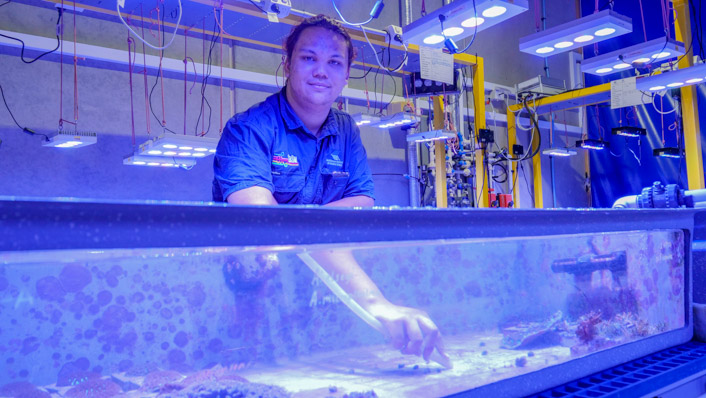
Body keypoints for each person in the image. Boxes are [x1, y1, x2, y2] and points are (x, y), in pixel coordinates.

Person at [213, 14, 448, 365]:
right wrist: (377, 304)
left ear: (346, 73)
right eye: (309, 58)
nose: (321, 71)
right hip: (248, 294)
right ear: (288, 64)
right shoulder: (247, 130)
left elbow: (364, 201)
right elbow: (267, 225)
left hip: (319, 290)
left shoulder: (345, 129)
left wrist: (298, 221)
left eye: (334, 62)